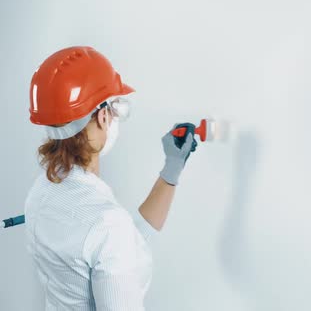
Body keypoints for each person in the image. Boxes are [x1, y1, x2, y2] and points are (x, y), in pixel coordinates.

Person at [25, 46, 197, 310]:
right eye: (116, 107)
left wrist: (172, 169)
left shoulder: (42, 190)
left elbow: (124, 239)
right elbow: (111, 237)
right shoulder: (107, 223)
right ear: (103, 116)